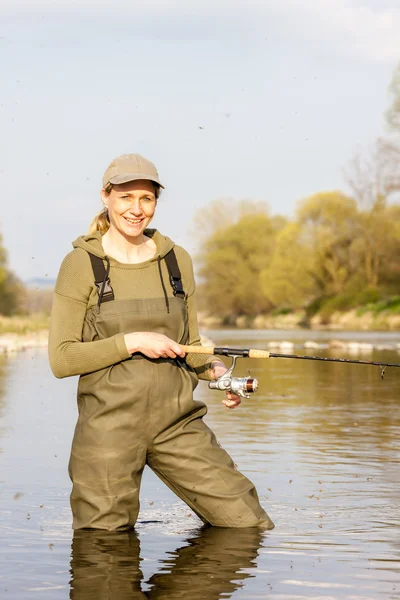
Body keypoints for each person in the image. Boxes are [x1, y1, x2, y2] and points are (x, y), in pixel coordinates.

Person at [49, 153, 274, 531]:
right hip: (108, 430)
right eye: (126, 197)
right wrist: (132, 341)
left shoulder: (176, 261)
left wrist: (218, 373)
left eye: (146, 199)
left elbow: (192, 343)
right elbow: (61, 358)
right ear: (105, 196)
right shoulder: (81, 264)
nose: (137, 210)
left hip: (177, 423)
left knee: (247, 524)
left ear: (156, 201)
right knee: (103, 552)